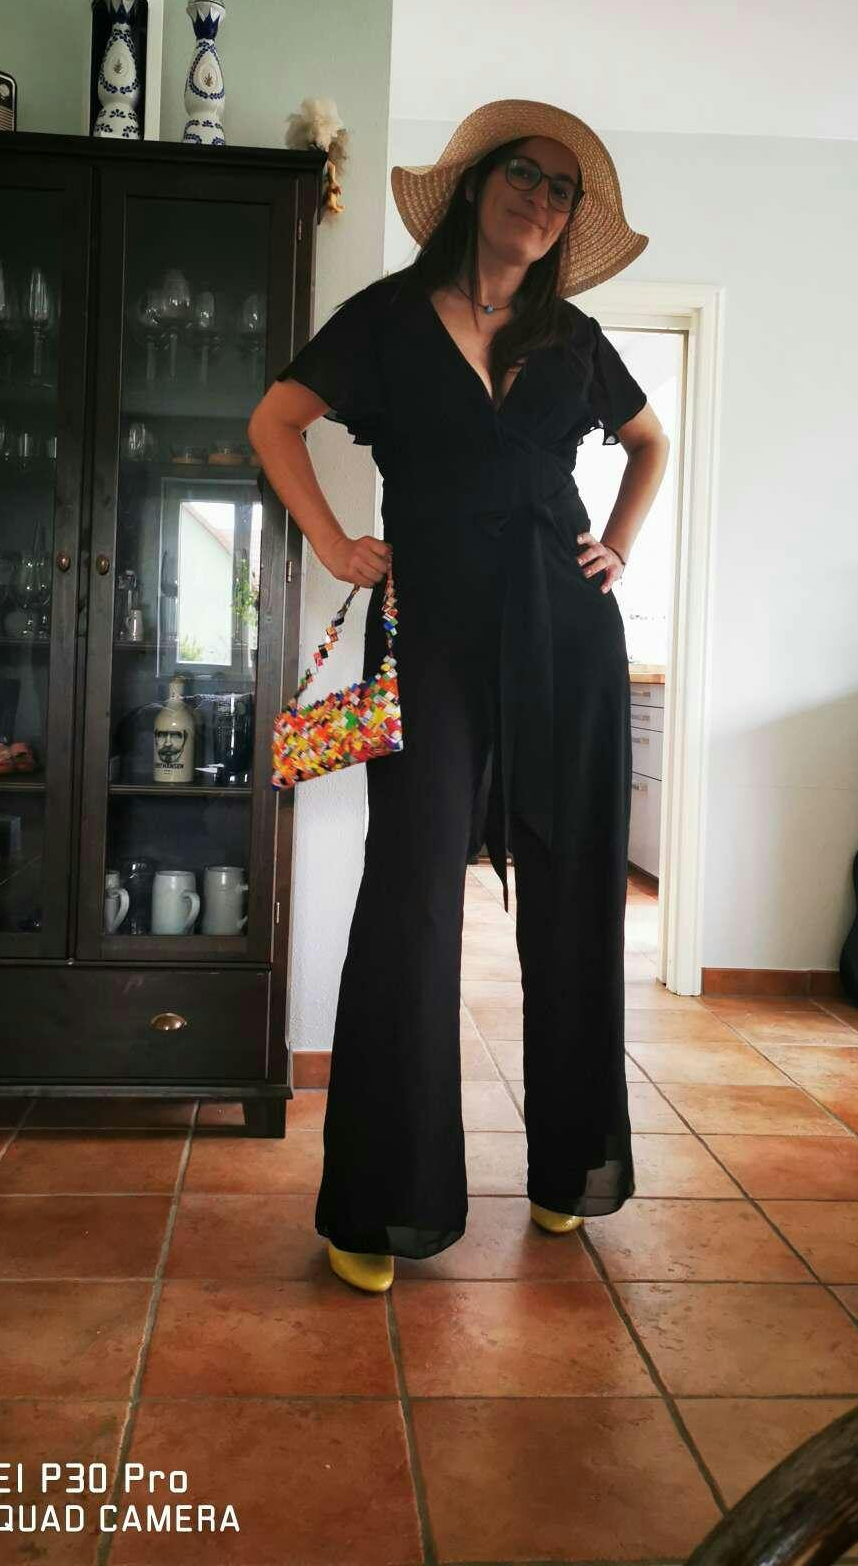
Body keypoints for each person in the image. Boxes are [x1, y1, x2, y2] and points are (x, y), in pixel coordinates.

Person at [247, 98, 670, 1292]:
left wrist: (619, 547)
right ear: (479, 184)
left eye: (563, 190)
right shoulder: (386, 320)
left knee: (575, 893)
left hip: (566, 635)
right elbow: (275, 421)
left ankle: (569, 1166)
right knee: (412, 901)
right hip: (426, 635)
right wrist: (334, 543)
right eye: (525, 174)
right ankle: (383, 1203)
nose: (542, 199)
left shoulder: (575, 338)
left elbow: (650, 442)